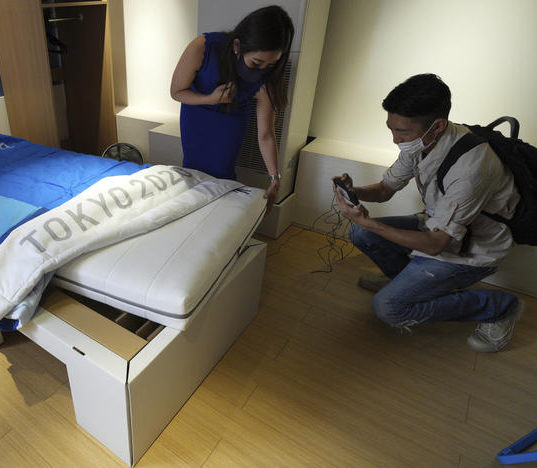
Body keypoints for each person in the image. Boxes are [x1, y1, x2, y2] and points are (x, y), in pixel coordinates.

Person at [333, 73, 525, 353]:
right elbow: (386, 189)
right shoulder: (421, 141)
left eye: (401, 132)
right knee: (360, 231)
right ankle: (406, 283)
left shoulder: (472, 169)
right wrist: (355, 191)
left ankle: (500, 308)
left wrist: (370, 222)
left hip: (473, 250)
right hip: (436, 225)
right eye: (391, 128)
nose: (395, 138)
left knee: (389, 308)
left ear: (437, 126)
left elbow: (437, 245)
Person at [170, 5, 294, 212]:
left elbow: (265, 134)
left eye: (270, 65)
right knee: (192, 171)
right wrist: (210, 99)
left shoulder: (267, 80)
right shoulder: (204, 47)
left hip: (232, 120)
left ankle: (215, 221)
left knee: (222, 172)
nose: (262, 70)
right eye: (256, 62)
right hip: (197, 113)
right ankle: (191, 216)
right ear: (238, 45)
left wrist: (275, 177)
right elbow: (176, 92)